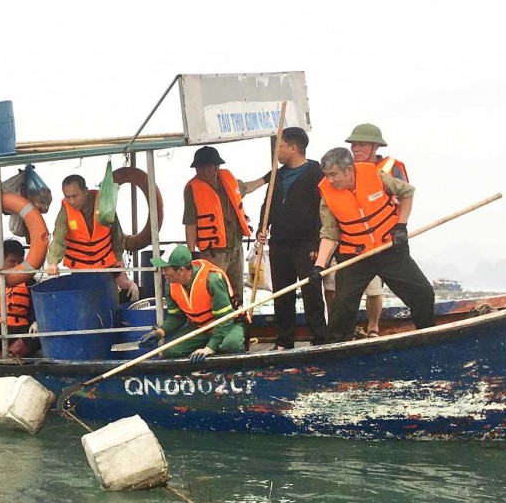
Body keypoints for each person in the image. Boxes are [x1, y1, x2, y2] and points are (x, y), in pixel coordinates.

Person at [311, 147, 435, 341]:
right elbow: (329, 233)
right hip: (355, 255)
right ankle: (336, 348)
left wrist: (401, 227)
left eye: (334, 174)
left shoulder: (374, 175)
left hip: (388, 249)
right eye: (327, 175)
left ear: (349, 169)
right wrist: (319, 265)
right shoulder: (327, 194)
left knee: (423, 293)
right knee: (342, 306)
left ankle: (429, 336)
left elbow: (407, 193)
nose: (330, 180)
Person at [251, 126, 329, 349]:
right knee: (281, 294)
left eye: (280, 146)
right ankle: (284, 340)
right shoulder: (278, 174)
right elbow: (268, 204)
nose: (277, 152)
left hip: (306, 244)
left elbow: (322, 210)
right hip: (279, 243)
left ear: (294, 148)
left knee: (311, 293)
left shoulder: (315, 172)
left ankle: (319, 339)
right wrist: (262, 227)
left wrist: (316, 242)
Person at [343, 123, 410, 337]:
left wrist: (400, 228)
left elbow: (404, 197)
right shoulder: (346, 169)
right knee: (344, 292)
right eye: (354, 145)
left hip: (386, 238)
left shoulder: (391, 167)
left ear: (375, 147)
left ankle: (373, 328)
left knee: (375, 289)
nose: (356, 150)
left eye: (361, 145)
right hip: (355, 242)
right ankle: (346, 331)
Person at [182, 145, 265, 302]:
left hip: (236, 248)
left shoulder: (229, 182)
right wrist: (192, 253)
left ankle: (239, 322)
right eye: (200, 167)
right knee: (215, 291)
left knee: (237, 292)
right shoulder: (192, 189)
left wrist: (266, 179)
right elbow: (190, 224)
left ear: (216, 167)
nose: (204, 170)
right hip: (213, 253)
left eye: (208, 166)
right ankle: (216, 324)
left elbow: (247, 187)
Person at [44, 174, 137, 302]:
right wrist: (53, 262)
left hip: (106, 264)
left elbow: (116, 232)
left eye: (75, 196)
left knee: (110, 299)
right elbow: (58, 238)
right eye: (67, 196)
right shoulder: (65, 211)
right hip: (80, 269)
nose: (71, 201)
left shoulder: (104, 204)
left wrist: (118, 257)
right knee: (84, 302)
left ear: (85, 191)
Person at [149, 245, 247, 361]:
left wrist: (209, 348)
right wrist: (159, 332)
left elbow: (225, 319)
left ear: (181, 270)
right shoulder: (170, 284)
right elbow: (176, 317)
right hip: (201, 328)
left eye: (166, 268)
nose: (163, 272)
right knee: (170, 351)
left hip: (229, 325)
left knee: (231, 345)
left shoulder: (212, 280)